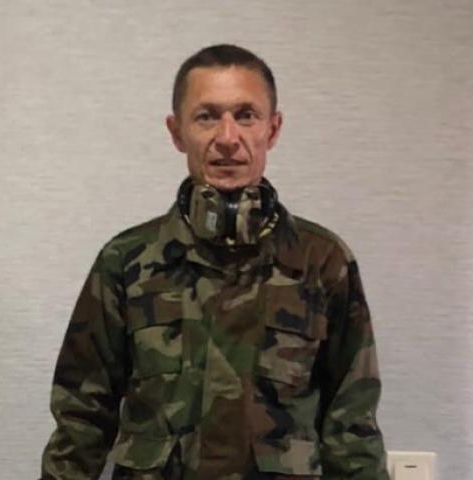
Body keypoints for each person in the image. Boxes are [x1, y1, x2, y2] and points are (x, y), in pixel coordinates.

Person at [41, 44, 390, 480]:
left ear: (273, 129)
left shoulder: (322, 261)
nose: (228, 137)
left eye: (246, 115)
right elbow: (81, 419)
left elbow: (352, 428)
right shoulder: (127, 261)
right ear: (177, 132)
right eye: (206, 116)